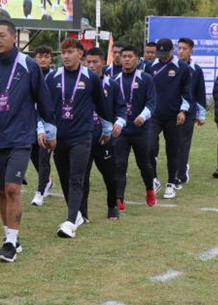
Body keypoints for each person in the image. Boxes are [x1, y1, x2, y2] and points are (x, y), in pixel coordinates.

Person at [0, 19, 56, 263]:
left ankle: (10, 244)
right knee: (2, 190)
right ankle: (11, 236)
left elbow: (44, 101)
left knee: (13, 187)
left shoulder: (28, 65)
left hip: (21, 138)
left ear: (14, 38)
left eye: (1, 35)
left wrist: (51, 131)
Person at [45, 40, 114, 238]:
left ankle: (70, 222)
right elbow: (44, 106)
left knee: (76, 178)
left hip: (82, 136)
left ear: (80, 54)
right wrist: (43, 130)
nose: (65, 56)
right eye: (63, 52)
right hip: (59, 138)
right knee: (65, 178)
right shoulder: (52, 77)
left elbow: (102, 106)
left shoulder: (91, 78)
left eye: (70, 52)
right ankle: (76, 215)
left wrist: (107, 129)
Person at [112, 45, 158, 210]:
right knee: (120, 165)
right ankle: (119, 198)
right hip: (121, 131)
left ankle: (150, 189)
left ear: (137, 59)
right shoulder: (114, 80)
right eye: (123, 56)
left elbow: (152, 102)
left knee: (144, 164)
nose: (126, 59)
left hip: (141, 131)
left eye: (130, 56)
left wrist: (143, 116)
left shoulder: (146, 78)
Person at [82, 47, 126, 221]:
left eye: (95, 62)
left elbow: (121, 108)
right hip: (83, 139)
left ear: (103, 63)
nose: (91, 65)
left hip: (104, 140)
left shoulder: (112, 85)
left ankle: (112, 206)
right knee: (81, 178)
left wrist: (119, 123)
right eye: (88, 62)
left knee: (110, 177)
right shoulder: (79, 83)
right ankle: (82, 213)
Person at [146, 38, 192, 200]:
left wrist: (183, 111)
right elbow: (146, 90)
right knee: (148, 147)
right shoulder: (150, 66)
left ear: (172, 51)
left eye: (165, 53)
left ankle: (171, 183)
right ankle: (154, 179)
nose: (163, 56)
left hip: (174, 116)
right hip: (154, 115)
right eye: (160, 53)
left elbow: (187, 92)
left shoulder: (182, 67)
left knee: (172, 151)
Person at [174, 37, 206, 189]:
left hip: (189, 113)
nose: (180, 51)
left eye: (184, 49)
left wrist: (201, 114)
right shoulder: (171, 67)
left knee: (183, 143)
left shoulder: (196, 70)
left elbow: (200, 92)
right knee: (173, 144)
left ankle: (180, 174)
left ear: (191, 51)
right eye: (179, 48)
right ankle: (178, 167)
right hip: (172, 112)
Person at [29, 45, 56, 206]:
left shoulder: (54, 77)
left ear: (51, 59)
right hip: (31, 121)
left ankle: (39, 193)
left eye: (46, 56)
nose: (43, 59)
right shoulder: (30, 74)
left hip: (48, 123)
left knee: (44, 157)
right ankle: (48, 181)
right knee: (34, 155)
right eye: (40, 56)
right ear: (35, 58)